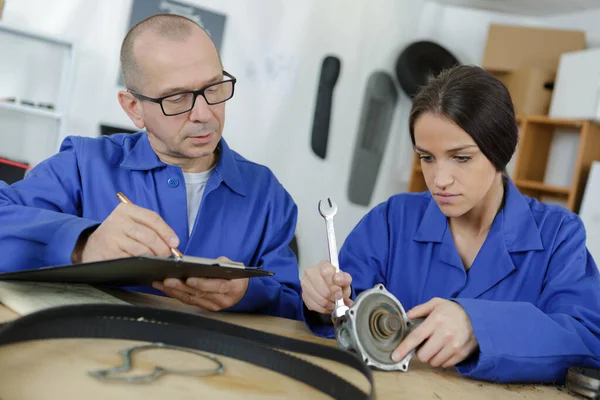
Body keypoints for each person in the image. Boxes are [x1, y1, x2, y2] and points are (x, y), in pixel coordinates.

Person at [301, 65, 600, 383]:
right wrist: (323, 301)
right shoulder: (392, 220)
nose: (439, 180)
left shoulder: (558, 236)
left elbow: (586, 340)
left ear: (501, 150)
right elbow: (343, 315)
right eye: (427, 158)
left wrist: (479, 328)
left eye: (461, 157)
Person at [0, 14, 303, 320]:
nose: (203, 114)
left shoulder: (267, 195)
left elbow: (294, 309)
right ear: (134, 108)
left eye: (213, 89)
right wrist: (83, 244)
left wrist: (248, 293)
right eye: (177, 97)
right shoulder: (84, 164)